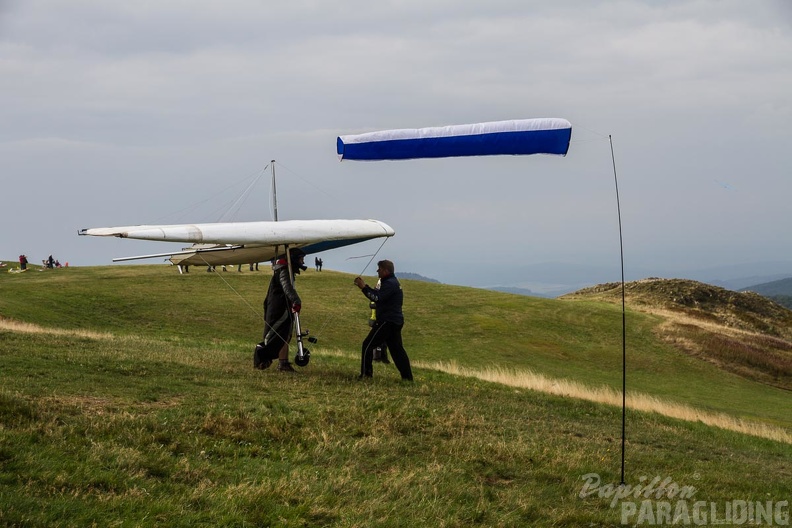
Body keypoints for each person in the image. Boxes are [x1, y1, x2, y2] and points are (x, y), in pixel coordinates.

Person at [354, 259, 412, 381]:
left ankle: (366, 375)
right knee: (397, 350)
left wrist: (363, 287)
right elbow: (378, 294)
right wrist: (367, 287)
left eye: (379, 269)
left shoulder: (390, 283)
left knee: (368, 345)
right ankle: (407, 378)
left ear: (385, 271)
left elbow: (377, 298)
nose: (377, 271)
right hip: (395, 321)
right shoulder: (391, 282)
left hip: (387, 321)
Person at [253, 247, 306, 373]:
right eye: (301, 259)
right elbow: (287, 288)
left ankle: (283, 363)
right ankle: (262, 357)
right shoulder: (284, 271)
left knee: (285, 335)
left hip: (282, 307)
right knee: (278, 335)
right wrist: (296, 301)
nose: (302, 262)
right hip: (279, 309)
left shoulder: (286, 270)